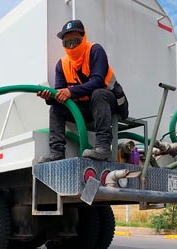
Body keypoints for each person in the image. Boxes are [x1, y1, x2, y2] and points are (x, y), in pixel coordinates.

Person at [37, 19, 129, 163]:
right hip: (86, 108)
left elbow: (98, 81)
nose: (72, 46)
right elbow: (60, 93)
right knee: (56, 107)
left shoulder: (95, 50)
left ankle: (103, 148)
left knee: (99, 93)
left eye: (75, 41)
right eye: (67, 43)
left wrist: (70, 92)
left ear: (83, 37)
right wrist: (49, 97)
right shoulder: (62, 64)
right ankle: (57, 152)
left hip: (110, 103)